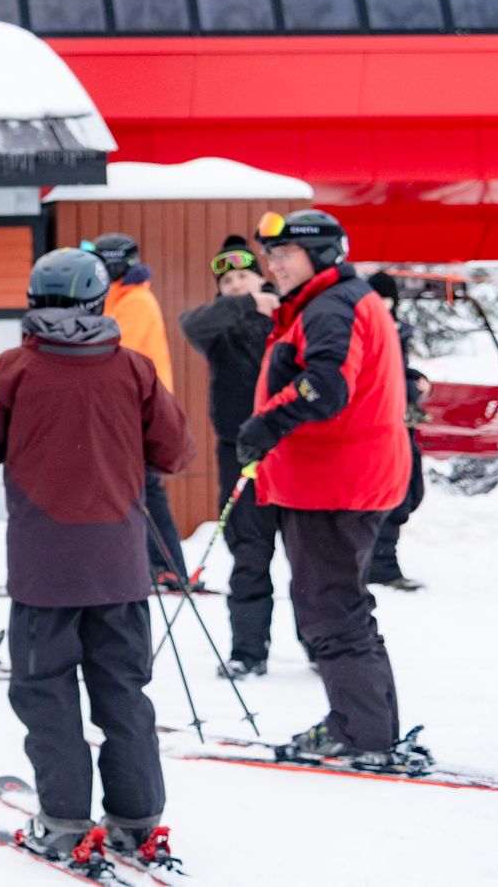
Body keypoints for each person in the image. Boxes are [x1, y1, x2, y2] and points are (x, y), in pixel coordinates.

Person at [0, 248, 193, 864]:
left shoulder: (13, 371)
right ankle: (138, 820)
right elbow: (177, 453)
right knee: (124, 695)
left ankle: (63, 821)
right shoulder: (132, 369)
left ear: (33, 301)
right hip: (121, 571)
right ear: (100, 301)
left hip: (43, 573)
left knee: (46, 695)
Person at [239, 210, 410, 759]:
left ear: (321, 256)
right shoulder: (340, 300)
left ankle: (361, 733)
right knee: (345, 607)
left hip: (335, 483)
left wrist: (266, 424)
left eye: (285, 253)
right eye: (272, 254)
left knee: (330, 610)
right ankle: (370, 725)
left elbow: (327, 386)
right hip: (344, 478)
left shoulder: (330, 306)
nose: (274, 263)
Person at [177, 237, 284, 677]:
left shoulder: (290, 316)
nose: (238, 284)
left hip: (295, 452)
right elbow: (189, 323)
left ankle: (322, 646)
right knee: (250, 555)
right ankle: (248, 651)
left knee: (310, 556)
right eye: (228, 280)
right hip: (240, 455)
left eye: (245, 276)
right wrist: (244, 305)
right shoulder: (218, 327)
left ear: (262, 278)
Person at [87, 233, 187, 585]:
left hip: (140, 411)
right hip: (131, 408)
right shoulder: (119, 297)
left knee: (144, 488)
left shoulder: (135, 302)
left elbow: (114, 352)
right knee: (139, 487)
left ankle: (167, 567)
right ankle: (162, 565)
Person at [363, 271, 428, 591]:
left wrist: (414, 379)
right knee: (391, 498)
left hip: (402, 427)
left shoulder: (396, 332)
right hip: (381, 429)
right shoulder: (367, 331)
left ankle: (380, 563)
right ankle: (381, 567)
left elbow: (396, 371)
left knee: (409, 493)